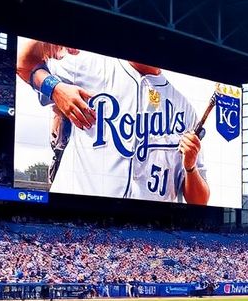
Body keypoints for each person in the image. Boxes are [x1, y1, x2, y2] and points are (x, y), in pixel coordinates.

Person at [16, 40, 211, 204]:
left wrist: (190, 167)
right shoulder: (90, 66)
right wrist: (55, 88)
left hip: (143, 231)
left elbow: (200, 201)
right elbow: (24, 64)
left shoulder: (184, 110)